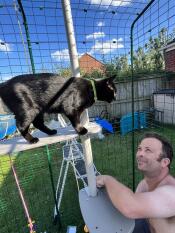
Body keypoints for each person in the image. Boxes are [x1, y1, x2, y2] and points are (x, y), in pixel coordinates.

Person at [96, 132, 175, 233]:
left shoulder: (171, 192)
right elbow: (131, 207)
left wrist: (107, 180)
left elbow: (130, 207)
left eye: (148, 150)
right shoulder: (144, 184)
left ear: (164, 162)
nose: (140, 154)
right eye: (139, 149)